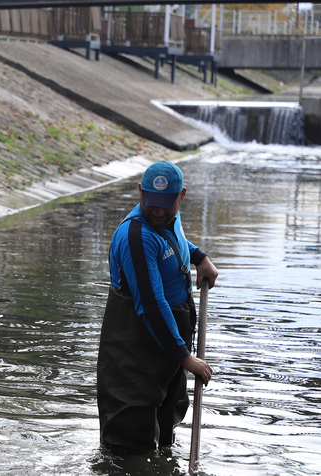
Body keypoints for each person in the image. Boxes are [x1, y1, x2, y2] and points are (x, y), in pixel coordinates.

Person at [97, 161, 219, 452]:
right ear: (140, 192)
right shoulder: (136, 236)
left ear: (181, 197)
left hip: (164, 351)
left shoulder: (166, 220)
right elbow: (152, 304)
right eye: (151, 203)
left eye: (167, 204)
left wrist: (198, 257)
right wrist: (185, 356)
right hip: (133, 356)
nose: (159, 211)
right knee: (128, 447)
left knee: (165, 433)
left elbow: (175, 242)